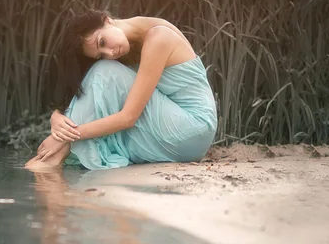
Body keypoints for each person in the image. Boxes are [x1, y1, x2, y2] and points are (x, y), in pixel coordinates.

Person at [25, 9, 217, 170]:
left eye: (102, 42)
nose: (109, 53)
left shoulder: (159, 37)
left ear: (107, 20)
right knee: (101, 69)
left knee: (104, 71)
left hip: (192, 129)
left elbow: (128, 117)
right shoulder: (119, 51)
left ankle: (54, 157)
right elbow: (87, 88)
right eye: (101, 54)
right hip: (169, 130)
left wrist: (67, 138)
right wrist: (56, 116)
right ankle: (55, 158)